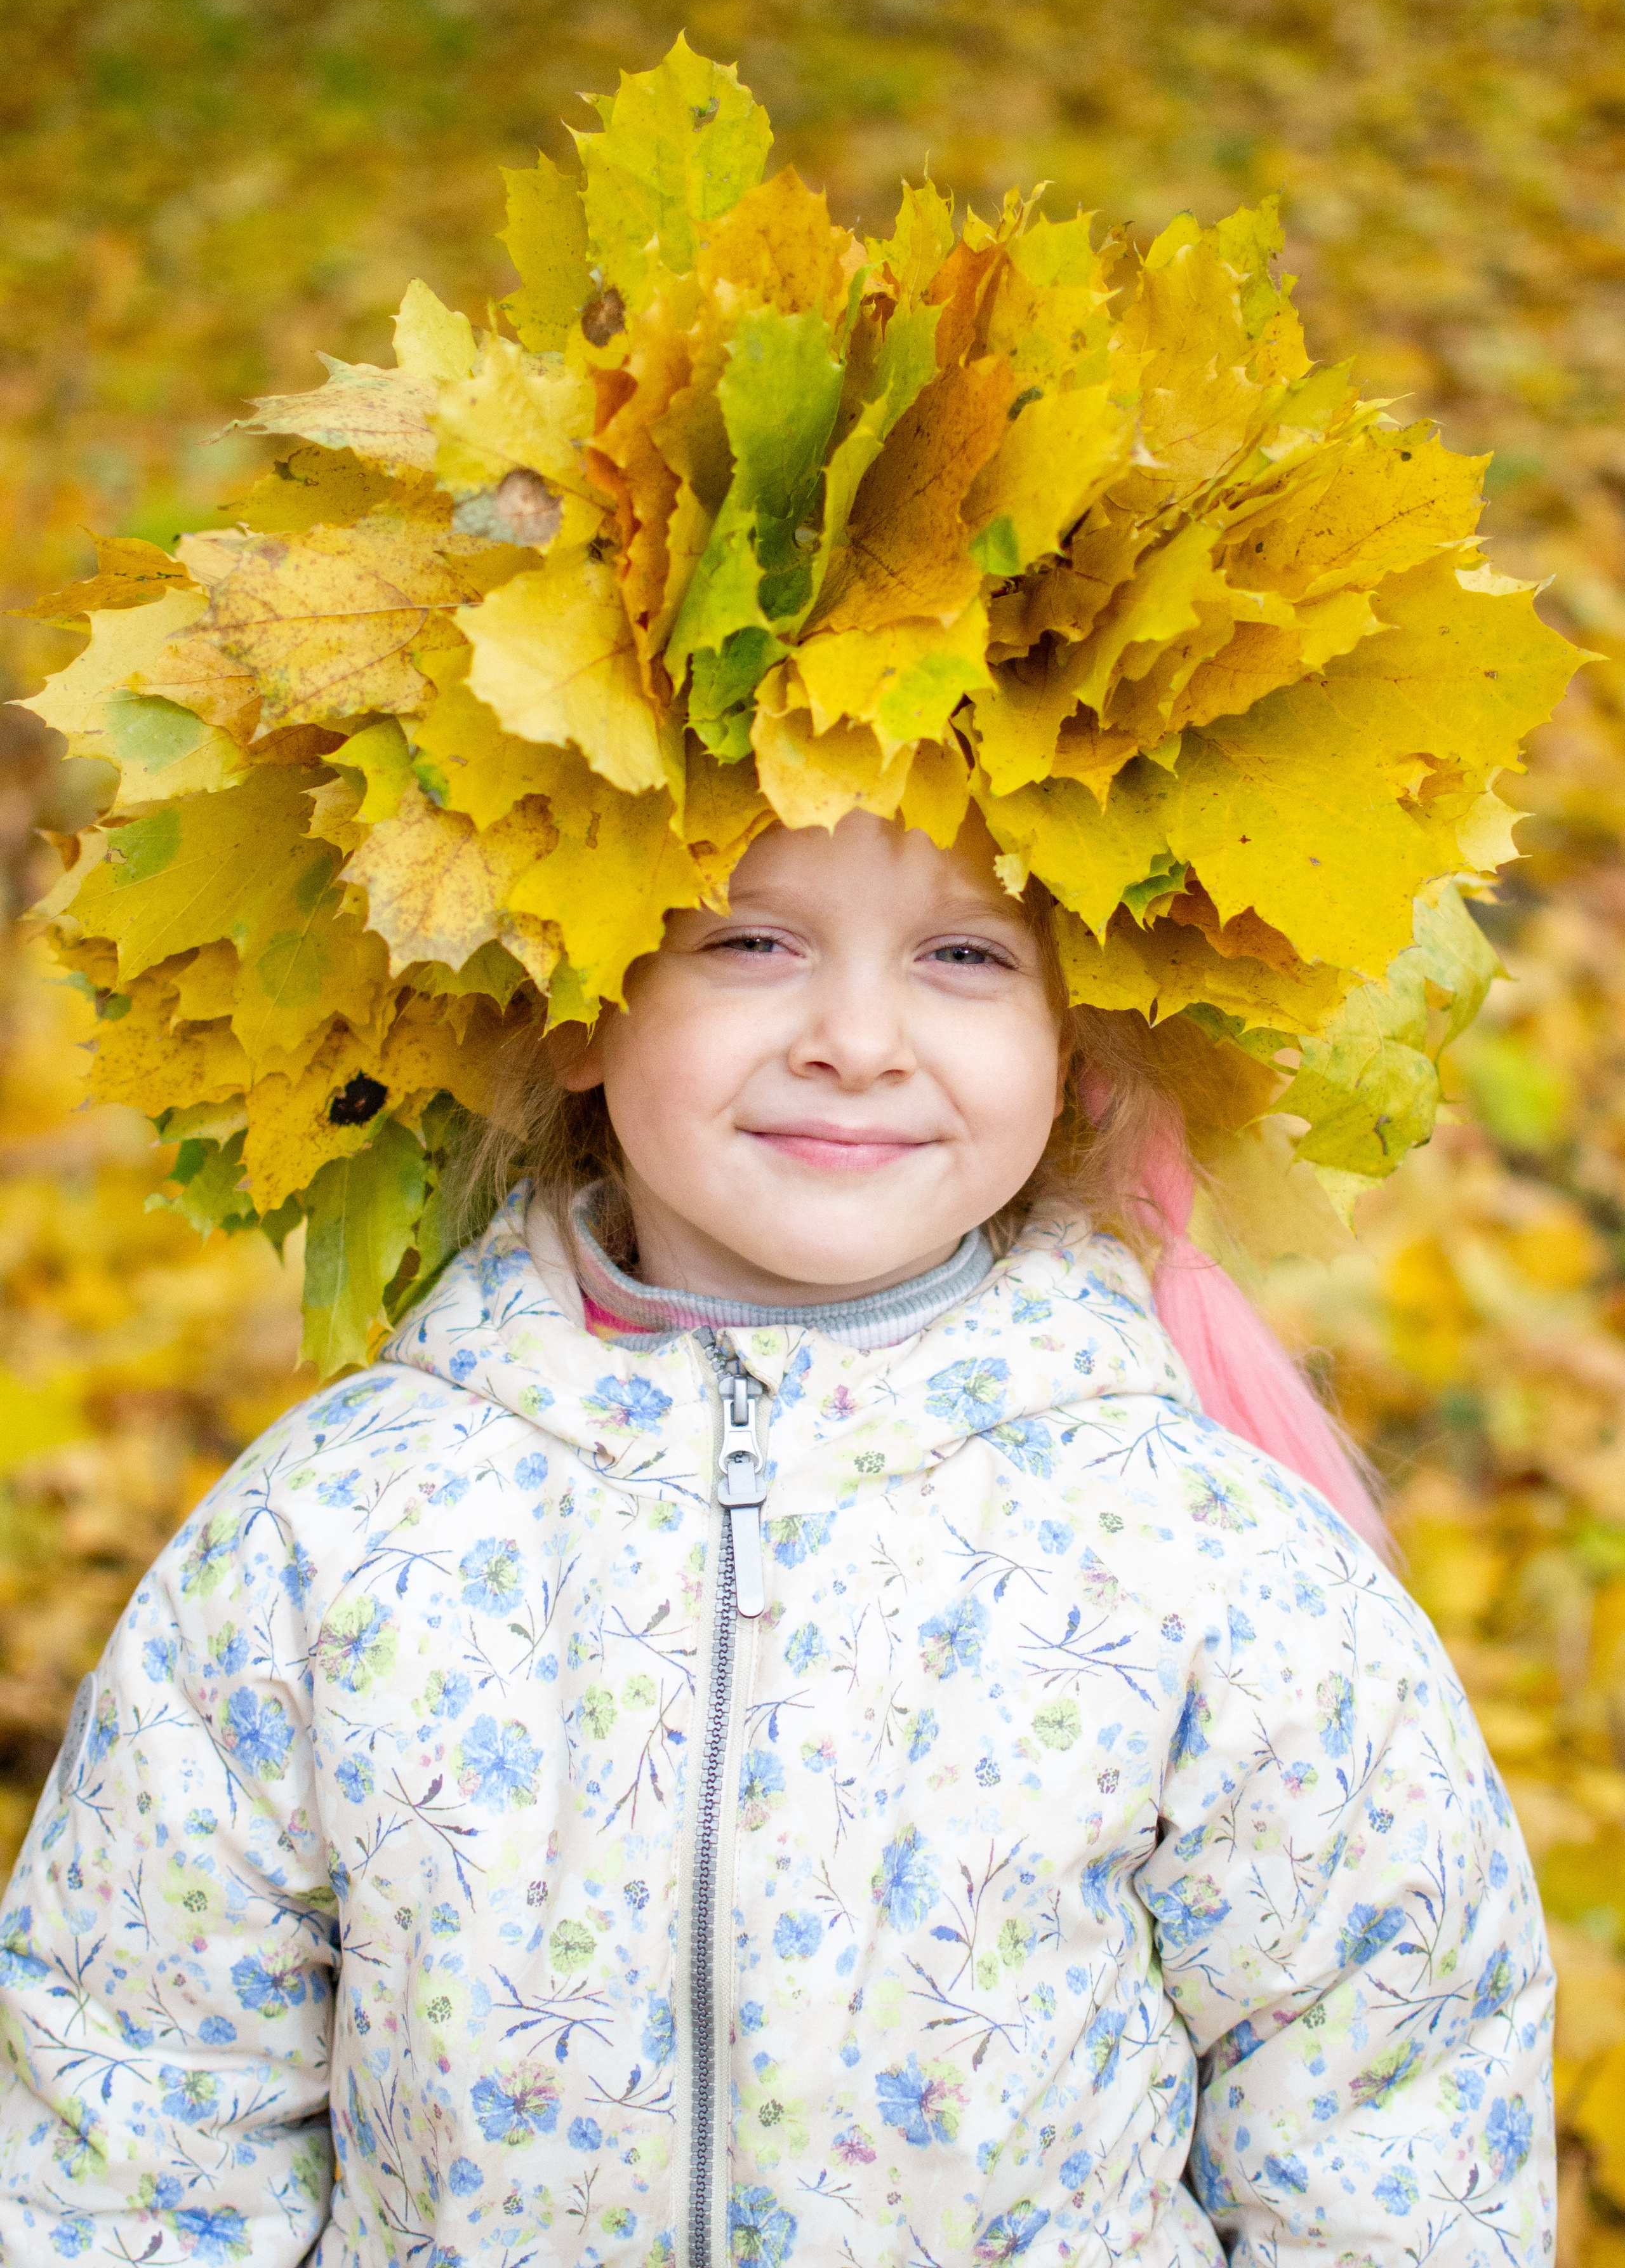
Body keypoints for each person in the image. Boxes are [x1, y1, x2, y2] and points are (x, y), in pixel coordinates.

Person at [0, 804, 1551, 2266]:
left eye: (964, 955)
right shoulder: (330, 1537)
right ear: (580, 997)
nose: (857, 1042)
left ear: (1076, 1037)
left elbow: (1389, 2116)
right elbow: (134, 2103)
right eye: (748, 939)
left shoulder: (1204, 1562)